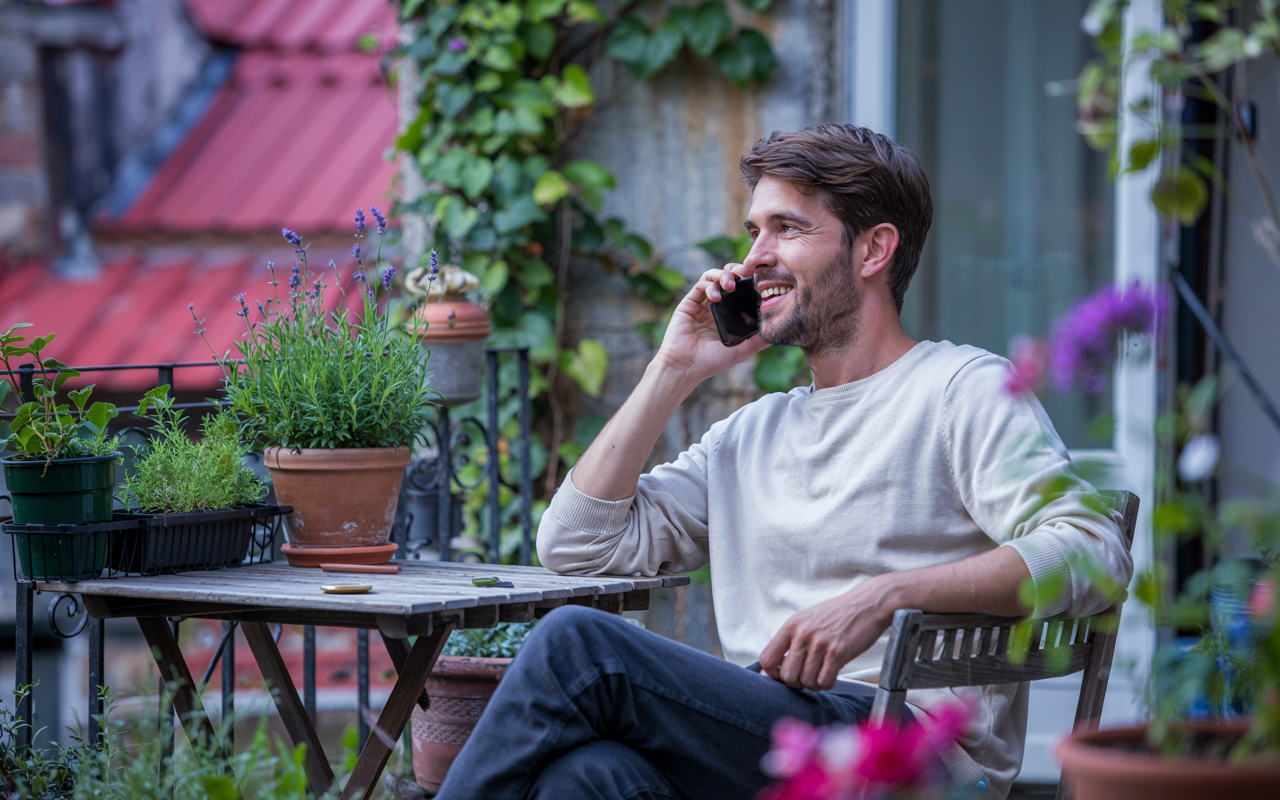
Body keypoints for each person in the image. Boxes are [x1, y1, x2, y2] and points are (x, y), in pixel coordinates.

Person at [433, 124, 1133, 800]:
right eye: (752, 232)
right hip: (773, 750)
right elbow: (575, 546)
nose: (752, 259)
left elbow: (1092, 548)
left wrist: (885, 595)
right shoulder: (752, 434)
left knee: (577, 648)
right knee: (584, 778)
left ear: (872, 250)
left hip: (903, 755)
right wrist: (673, 370)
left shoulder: (959, 390)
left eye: (787, 229)